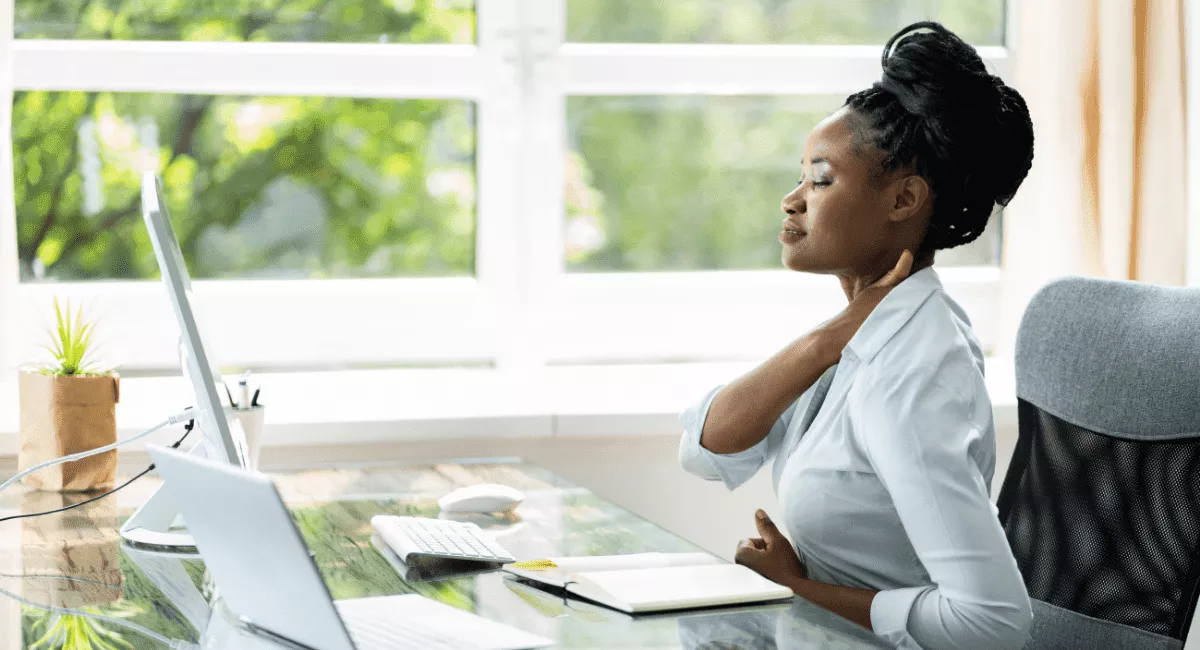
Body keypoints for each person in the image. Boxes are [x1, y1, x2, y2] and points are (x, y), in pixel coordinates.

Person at [678, 21, 1035, 650]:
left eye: (820, 180)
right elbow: (706, 449)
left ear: (904, 200)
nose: (792, 201)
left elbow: (993, 623)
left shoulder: (913, 375)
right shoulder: (864, 332)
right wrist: (827, 340)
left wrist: (797, 587)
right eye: (800, 177)